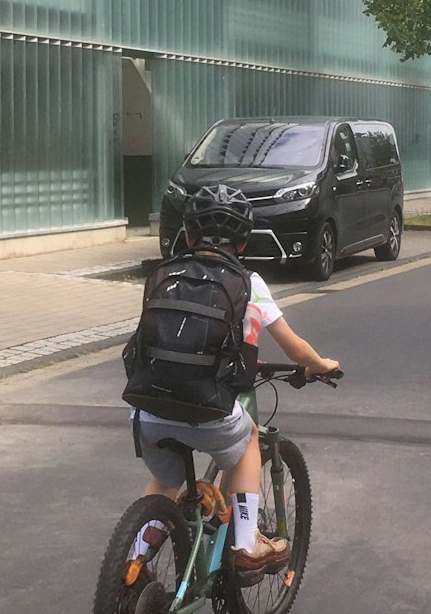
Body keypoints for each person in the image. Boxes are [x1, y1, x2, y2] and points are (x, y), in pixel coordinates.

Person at [130, 186, 338, 570]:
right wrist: (319, 364)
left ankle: (132, 564)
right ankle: (246, 541)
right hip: (207, 410)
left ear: (187, 236)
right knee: (249, 439)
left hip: (147, 410)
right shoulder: (249, 282)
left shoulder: (166, 276)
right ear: (243, 242)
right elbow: (294, 348)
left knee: (165, 482)